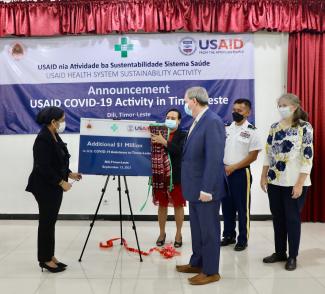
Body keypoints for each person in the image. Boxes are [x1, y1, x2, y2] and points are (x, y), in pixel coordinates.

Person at [176, 87, 228, 285]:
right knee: (197, 230)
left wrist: (207, 188)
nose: (185, 104)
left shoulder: (212, 121)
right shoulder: (197, 121)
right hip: (194, 187)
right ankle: (197, 263)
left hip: (206, 189)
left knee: (209, 231)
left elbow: (214, 159)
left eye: (186, 101)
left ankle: (211, 271)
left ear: (195, 101)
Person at [260, 93, 313, 271]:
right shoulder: (274, 127)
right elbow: (268, 153)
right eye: (279, 104)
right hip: (275, 181)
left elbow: (308, 157)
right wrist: (263, 175)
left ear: (294, 106)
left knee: (292, 219)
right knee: (278, 218)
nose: (280, 108)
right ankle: (280, 252)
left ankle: (292, 256)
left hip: (295, 182)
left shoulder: (305, 127)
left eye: (283, 104)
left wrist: (299, 183)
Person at [26, 107, 82, 273]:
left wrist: (70, 174)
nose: (64, 123)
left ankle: (50, 256)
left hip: (53, 186)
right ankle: (44, 259)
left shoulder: (54, 135)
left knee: (50, 223)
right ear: (53, 122)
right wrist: (60, 182)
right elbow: (42, 167)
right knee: (46, 223)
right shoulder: (43, 139)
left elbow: (58, 162)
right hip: (45, 187)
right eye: (62, 120)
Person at [221, 99, 262, 251]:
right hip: (225, 172)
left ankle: (242, 239)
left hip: (240, 173)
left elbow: (253, 156)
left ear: (248, 112)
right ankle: (229, 235)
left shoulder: (252, 131)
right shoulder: (227, 128)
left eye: (240, 111)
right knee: (226, 206)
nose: (235, 113)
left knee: (242, 207)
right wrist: (225, 167)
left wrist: (234, 167)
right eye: (234, 110)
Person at [151, 109, 187, 248]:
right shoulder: (159, 131)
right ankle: (162, 233)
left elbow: (180, 151)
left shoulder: (183, 134)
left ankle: (178, 234)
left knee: (178, 205)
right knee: (162, 205)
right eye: (167, 117)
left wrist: (164, 142)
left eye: (173, 118)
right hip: (160, 174)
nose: (170, 119)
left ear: (179, 121)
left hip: (176, 175)